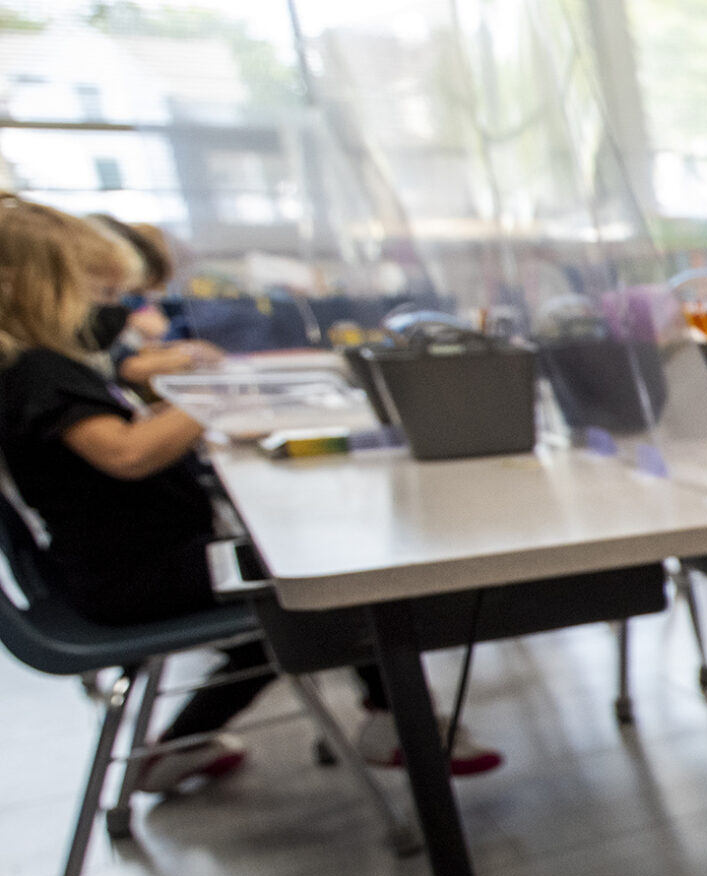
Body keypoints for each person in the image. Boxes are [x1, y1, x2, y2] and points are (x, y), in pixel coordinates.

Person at [0, 198, 498, 791]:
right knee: (326, 581)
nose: (115, 313)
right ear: (33, 291)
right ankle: (392, 723)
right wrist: (212, 396)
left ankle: (180, 748)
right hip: (131, 578)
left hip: (126, 567)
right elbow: (126, 454)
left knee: (295, 583)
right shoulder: (38, 373)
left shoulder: (52, 367)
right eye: (101, 298)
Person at [87, 216, 219, 389]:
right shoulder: (114, 310)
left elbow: (138, 351)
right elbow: (128, 365)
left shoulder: (137, 304)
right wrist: (189, 355)